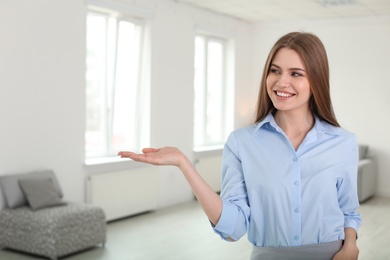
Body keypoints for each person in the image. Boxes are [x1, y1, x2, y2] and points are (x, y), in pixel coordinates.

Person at [118, 32, 361, 260]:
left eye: (296, 73)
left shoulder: (343, 142)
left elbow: (349, 211)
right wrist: (184, 164)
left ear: (316, 80)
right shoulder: (242, 142)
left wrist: (350, 246)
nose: (281, 82)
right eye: (275, 71)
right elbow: (233, 228)